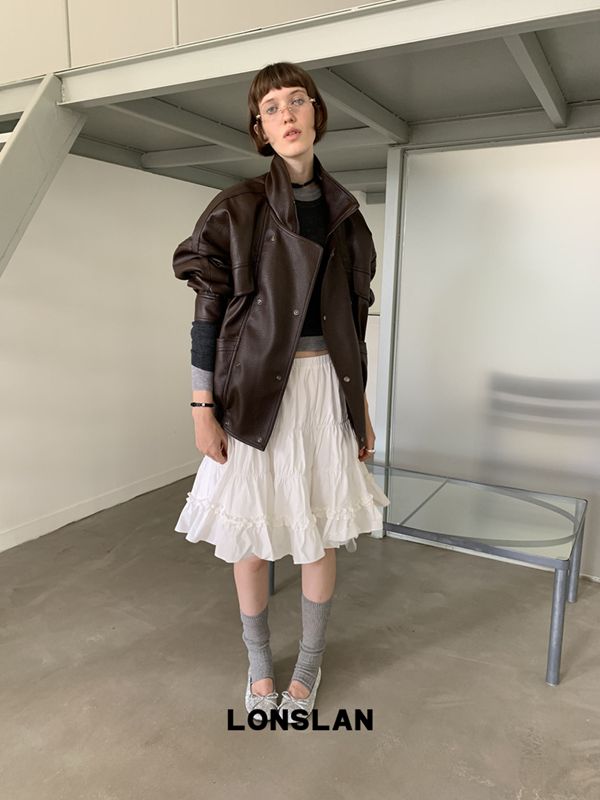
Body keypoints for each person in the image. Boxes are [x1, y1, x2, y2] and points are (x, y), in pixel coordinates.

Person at [172, 61, 390, 717]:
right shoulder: (237, 208)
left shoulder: (348, 217)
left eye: (298, 100)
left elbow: (353, 324)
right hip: (254, 396)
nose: (287, 113)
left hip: (326, 393)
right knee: (252, 539)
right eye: (271, 107)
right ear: (259, 129)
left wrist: (360, 408)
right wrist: (202, 404)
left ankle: (309, 666)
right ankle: (260, 665)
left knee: (319, 535)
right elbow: (208, 316)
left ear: (317, 114)